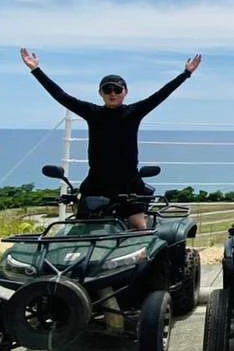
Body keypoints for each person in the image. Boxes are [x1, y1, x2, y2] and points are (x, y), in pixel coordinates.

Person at [21, 47, 203, 230]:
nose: (112, 93)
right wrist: (35, 69)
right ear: (100, 93)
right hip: (96, 183)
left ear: (125, 92)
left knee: (138, 226)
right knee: (80, 229)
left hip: (129, 184)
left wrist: (185, 74)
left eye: (117, 89)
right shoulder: (93, 113)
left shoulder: (133, 112)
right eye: (107, 89)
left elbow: (160, 95)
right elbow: (62, 96)